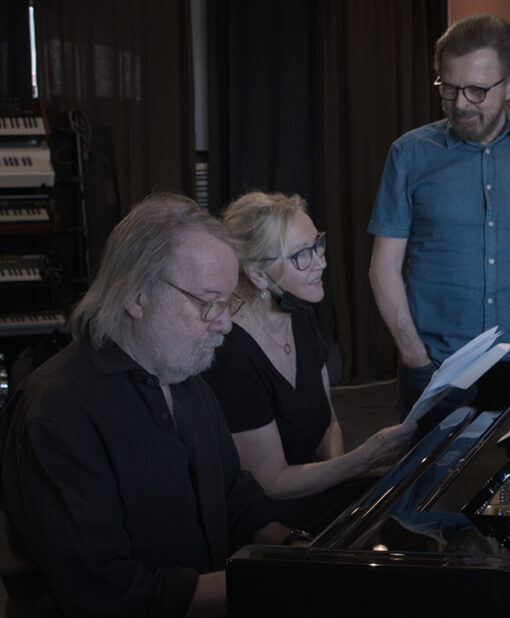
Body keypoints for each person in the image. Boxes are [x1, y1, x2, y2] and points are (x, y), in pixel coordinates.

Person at [0, 194, 292, 618]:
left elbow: (233, 497)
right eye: (209, 301)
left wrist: (293, 545)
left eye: (229, 303)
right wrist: (272, 580)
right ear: (136, 295)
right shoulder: (56, 412)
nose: (225, 323)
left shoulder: (187, 379)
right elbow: (107, 594)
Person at [368, 14, 510, 419]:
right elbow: (384, 266)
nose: (460, 102)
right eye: (449, 88)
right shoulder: (409, 154)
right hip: (433, 372)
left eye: (477, 90)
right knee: (427, 481)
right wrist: (414, 355)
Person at [203, 191, 415, 531]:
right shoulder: (231, 354)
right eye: (303, 254)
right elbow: (272, 483)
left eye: (318, 244)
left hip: (311, 487)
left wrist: (343, 478)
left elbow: (327, 425)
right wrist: (358, 463)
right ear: (257, 275)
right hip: (267, 516)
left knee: (401, 495)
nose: (322, 261)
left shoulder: (299, 313)